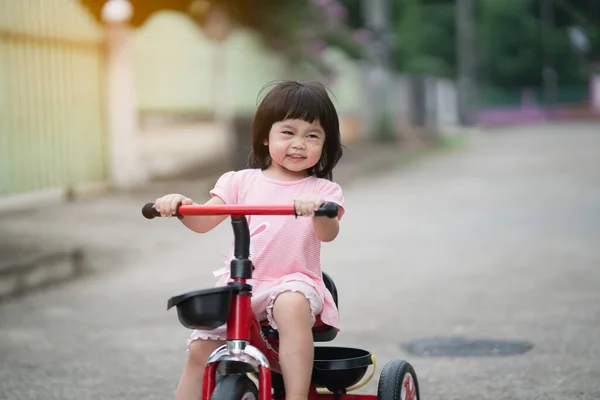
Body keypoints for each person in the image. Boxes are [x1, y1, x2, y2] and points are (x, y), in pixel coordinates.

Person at [154, 80, 345, 400]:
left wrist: (318, 212)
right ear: (264, 137)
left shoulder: (322, 191)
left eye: (312, 136)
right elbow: (203, 221)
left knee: (291, 304)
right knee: (201, 349)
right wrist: (180, 206)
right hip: (243, 282)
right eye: (288, 132)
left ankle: (297, 396)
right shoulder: (239, 182)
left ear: (324, 145)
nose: (299, 143)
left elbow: (328, 232)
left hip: (294, 280)